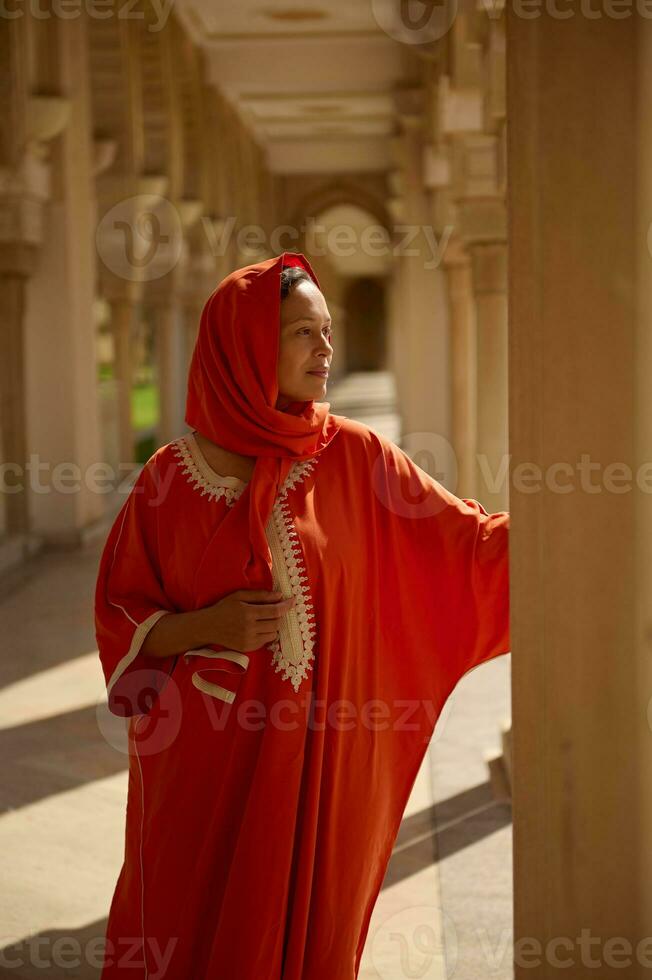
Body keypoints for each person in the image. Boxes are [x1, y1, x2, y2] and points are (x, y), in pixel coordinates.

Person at [94, 250, 510, 979]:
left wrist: (584, 521)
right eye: (300, 333)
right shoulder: (168, 481)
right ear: (246, 345)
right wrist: (203, 627)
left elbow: (467, 548)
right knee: (192, 923)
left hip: (319, 760)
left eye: (327, 331)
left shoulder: (355, 457)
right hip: (201, 763)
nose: (324, 349)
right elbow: (118, 612)